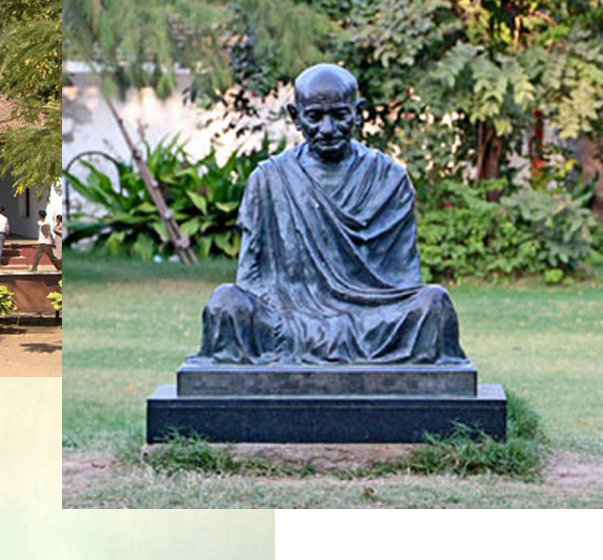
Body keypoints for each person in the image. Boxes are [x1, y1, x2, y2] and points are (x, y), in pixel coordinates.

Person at [196, 63, 467, 365]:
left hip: (371, 316)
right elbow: (251, 276)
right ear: (295, 117)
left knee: (433, 303)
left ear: (358, 113)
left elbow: (402, 278)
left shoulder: (388, 178)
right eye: (314, 117)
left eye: (339, 115)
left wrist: (347, 318)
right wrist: (289, 316)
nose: (327, 129)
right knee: (226, 303)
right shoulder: (269, 178)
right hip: (290, 313)